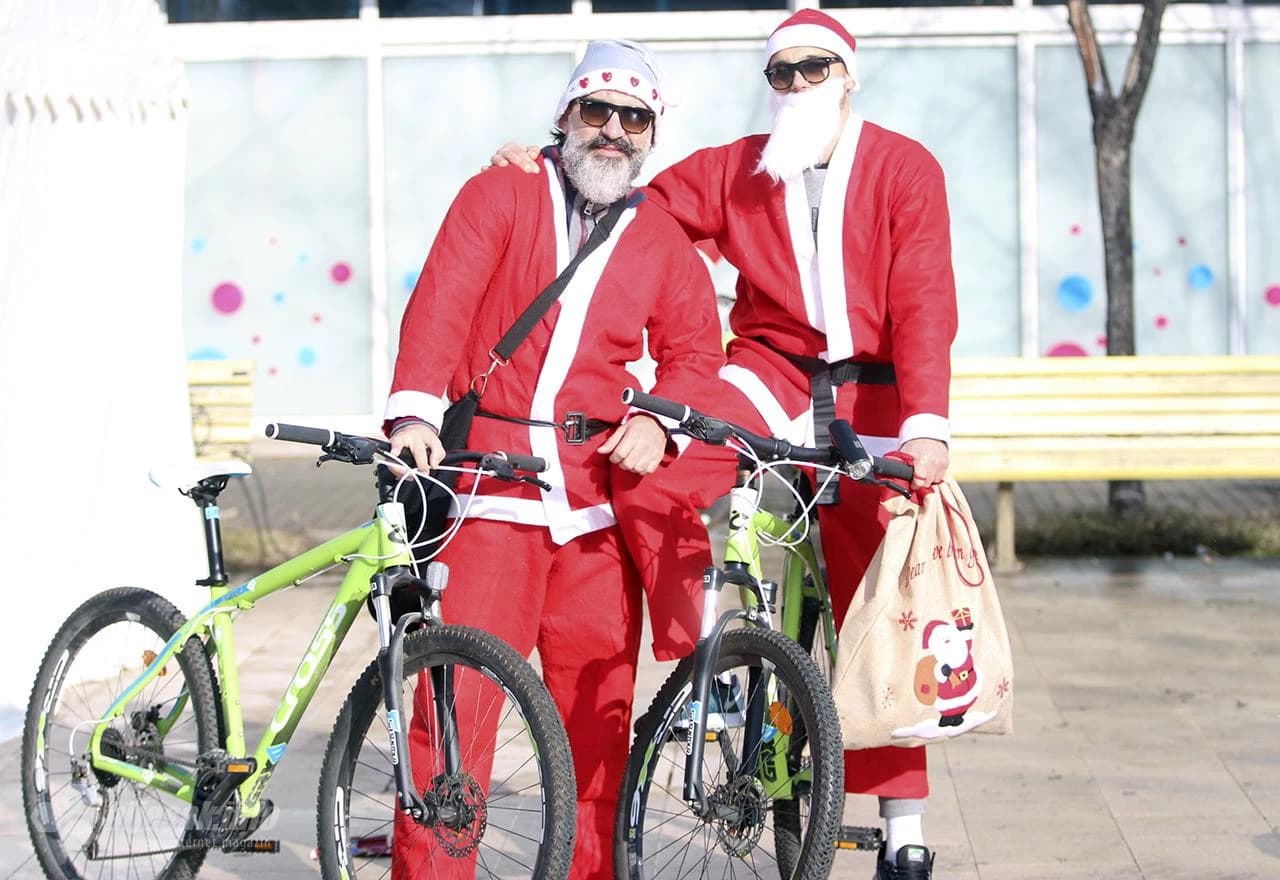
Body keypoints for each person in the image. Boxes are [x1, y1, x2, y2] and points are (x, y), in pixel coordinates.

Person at [491, 11, 957, 879]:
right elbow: (634, 199)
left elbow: (927, 302)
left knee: (878, 606)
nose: (794, 88)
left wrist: (927, 426)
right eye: (779, 74)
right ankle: (711, 664)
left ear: (847, 75)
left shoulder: (905, 168)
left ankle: (904, 827)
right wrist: (544, 168)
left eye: (811, 70)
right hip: (772, 373)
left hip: (877, 392)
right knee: (651, 461)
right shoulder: (744, 166)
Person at [384, 39, 725, 880]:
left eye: (633, 118)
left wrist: (665, 423)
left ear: (653, 133)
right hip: (492, 492)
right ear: (565, 116)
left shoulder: (659, 236)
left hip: (594, 510)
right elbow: (443, 300)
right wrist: (416, 413)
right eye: (596, 111)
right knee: (454, 715)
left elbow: (695, 354)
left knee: (599, 724)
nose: (613, 132)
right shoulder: (499, 190)